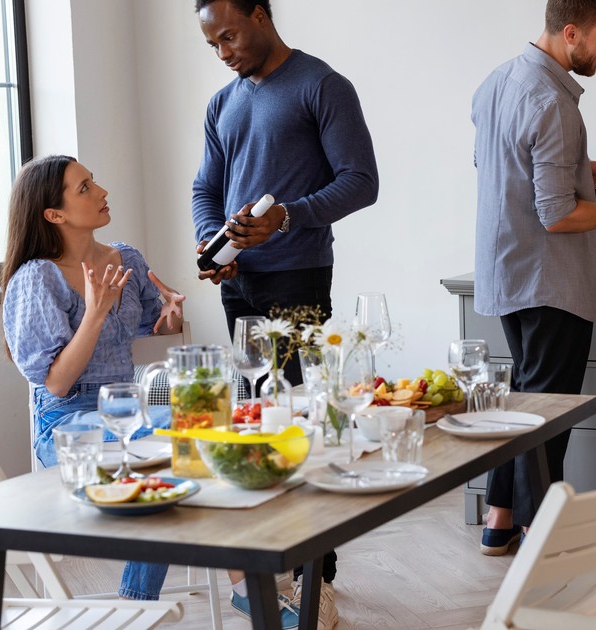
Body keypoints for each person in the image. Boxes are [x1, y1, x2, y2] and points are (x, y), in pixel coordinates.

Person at [191, 0, 377, 625]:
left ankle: (316, 578)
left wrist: (286, 217)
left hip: (298, 276)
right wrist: (213, 242)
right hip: (237, 282)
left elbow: (361, 180)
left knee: (300, 429)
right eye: (213, 45)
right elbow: (205, 188)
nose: (224, 53)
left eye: (229, 36)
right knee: (255, 430)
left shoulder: (322, 85)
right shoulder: (223, 102)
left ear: (260, 15)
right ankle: (272, 566)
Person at [471, 0, 596, 556]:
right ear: (572, 33)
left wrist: (579, 170)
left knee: (524, 398)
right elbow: (557, 216)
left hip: (507, 269)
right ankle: (540, 532)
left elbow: (500, 164)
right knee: (547, 411)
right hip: (548, 276)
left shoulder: (497, 80)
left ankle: (499, 519)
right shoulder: (553, 102)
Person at [1, 154, 185, 601]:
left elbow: (153, 331)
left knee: (195, 435)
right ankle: (140, 604)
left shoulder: (126, 258)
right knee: (170, 455)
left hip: (125, 410)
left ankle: (238, 590)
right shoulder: (37, 278)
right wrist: (95, 313)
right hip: (67, 424)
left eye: (94, 181)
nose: (102, 192)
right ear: (54, 214)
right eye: (84, 188)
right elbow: (56, 384)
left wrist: (171, 318)